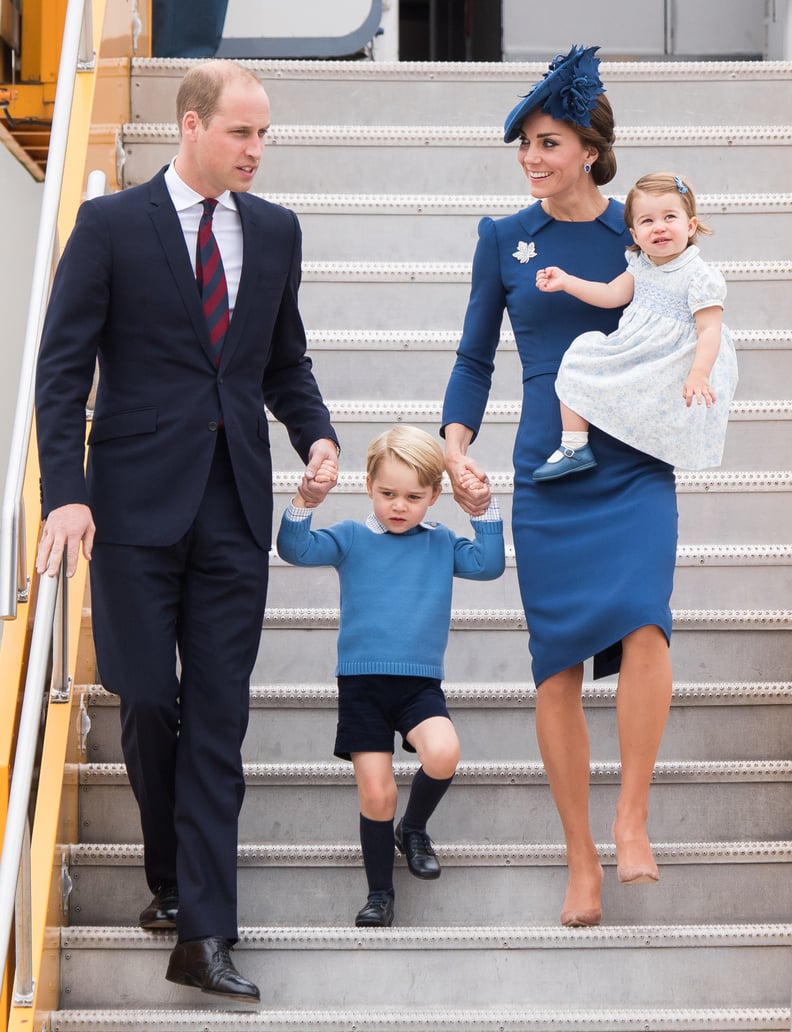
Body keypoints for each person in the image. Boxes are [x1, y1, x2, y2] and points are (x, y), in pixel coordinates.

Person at [34, 60, 340, 1003]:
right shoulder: (113, 225)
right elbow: (61, 368)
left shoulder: (277, 232)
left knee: (219, 718)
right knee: (147, 700)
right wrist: (67, 492)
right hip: (128, 507)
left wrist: (317, 434)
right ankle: (168, 872)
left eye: (264, 135)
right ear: (191, 125)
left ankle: (204, 931)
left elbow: (283, 358)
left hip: (234, 506)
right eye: (242, 133)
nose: (257, 150)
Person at [442, 44, 678, 928]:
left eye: (547, 143)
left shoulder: (643, 227)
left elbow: (696, 308)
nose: (532, 160)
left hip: (635, 460)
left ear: (587, 148)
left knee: (648, 625)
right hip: (548, 463)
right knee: (558, 668)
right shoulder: (503, 239)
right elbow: (474, 357)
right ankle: (581, 855)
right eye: (524, 147)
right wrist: (456, 446)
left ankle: (632, 816)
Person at [276, 426, 504, 927]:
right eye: (387, 494)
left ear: (434, 495)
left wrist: (482, 509)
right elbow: (295, 549)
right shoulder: (353, 537)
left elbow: (489, 565)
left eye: (413, 496)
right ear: (368, 487)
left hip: (419, 685)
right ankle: (380, 892)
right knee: (377, 792)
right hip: (362, 686)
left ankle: (414, 828)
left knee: (443, 752)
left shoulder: (440, 542)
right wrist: (304, 499)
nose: (399, 506)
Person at [532, 171, 738, 481]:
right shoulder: (640, 265)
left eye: (670, 217)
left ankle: (644, 446)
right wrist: (567, 282)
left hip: (675, 361)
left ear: (690, 225)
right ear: (634, 234)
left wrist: (699, 373)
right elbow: (611, 294)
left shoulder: (699, 277)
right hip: (636, 349)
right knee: (580, 357)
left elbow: (709, 329)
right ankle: (575, 446)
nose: (660, 227)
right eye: (647, 221)